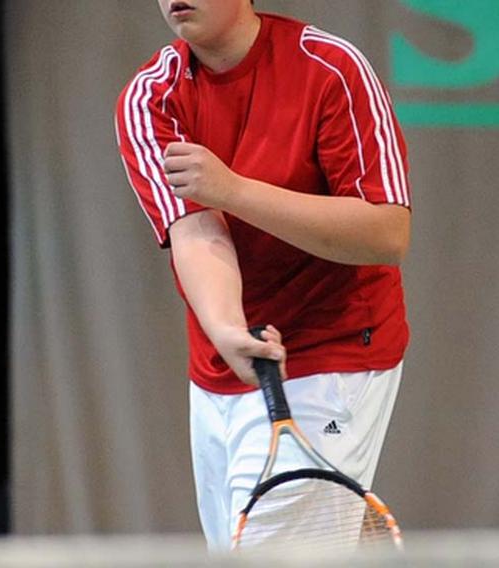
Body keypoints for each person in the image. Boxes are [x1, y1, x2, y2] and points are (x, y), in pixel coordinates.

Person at [115, 0, 411, 551]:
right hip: (222, 365)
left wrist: (233, 190)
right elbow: (195, 231)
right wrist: (227, 332)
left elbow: (386, 233)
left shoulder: (332, 69)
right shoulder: (151, 97)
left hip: (333, 349)